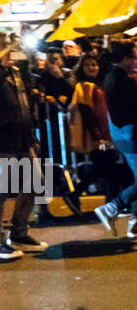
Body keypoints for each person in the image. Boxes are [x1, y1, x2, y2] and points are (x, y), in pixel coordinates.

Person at [0, 30, 48, 260]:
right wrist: (1, 67)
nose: (10, 48)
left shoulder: (15, 71)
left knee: (35, 184)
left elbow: (23, 99)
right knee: (0, 190)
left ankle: (19, 232)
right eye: (5, 45)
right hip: (1, 138)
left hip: (22, 136)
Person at [96, 40, 137, 238]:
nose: (136, 60)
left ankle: (135, 222)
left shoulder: (113, 78)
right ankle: (113, 207)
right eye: (134, 57)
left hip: (122, 134)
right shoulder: (123, 81)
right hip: (130, 134)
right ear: (125, 59)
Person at [67, 52, 115, 216]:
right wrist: (98, 136)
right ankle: (75, 194)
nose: (92, 68)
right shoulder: (85, 86)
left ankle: (109, 203)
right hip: (98, 136)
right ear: (82, 68)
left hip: (103, 134)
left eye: (94, 65)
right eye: (88, 65)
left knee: (104, 168)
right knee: (104, 167)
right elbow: (87, 111)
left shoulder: (96, 84)